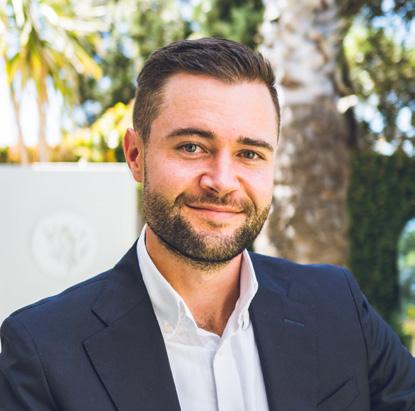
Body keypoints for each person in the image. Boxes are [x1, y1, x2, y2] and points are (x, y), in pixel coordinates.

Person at [0, 37, 414, 411]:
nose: (222, 181)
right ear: (136, 155)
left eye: (249, 154)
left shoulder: (338, 305)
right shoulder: (41, 350)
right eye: (192, 147)